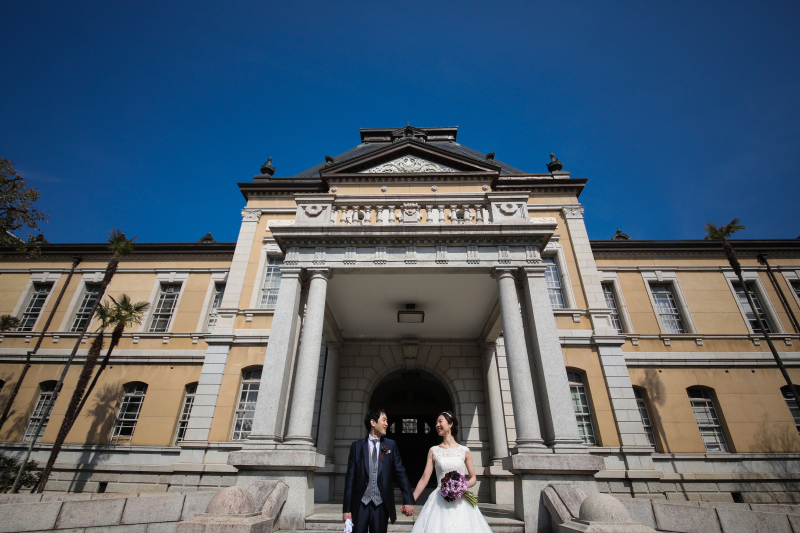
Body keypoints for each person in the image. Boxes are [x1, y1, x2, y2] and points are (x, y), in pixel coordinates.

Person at [409, 411, 493, 533]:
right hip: (439, 499)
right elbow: (424, 478)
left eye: (440, 421)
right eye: (436, 422)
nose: (437, 424)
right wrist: (411, 500)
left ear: (450, 424)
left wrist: (462, 486)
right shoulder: (434, 450)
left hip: (461, 499)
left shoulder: (464, 450)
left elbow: (473, 477)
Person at [342, 408, 415, 533]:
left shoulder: (390, 445)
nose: (387, 424)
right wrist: (346, 509)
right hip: (360, 504)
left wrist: (408, 500)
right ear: (373, 422)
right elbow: (350, 479)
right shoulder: (357, 447)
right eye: (384, 420)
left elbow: (400, 473)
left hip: (381, 504)